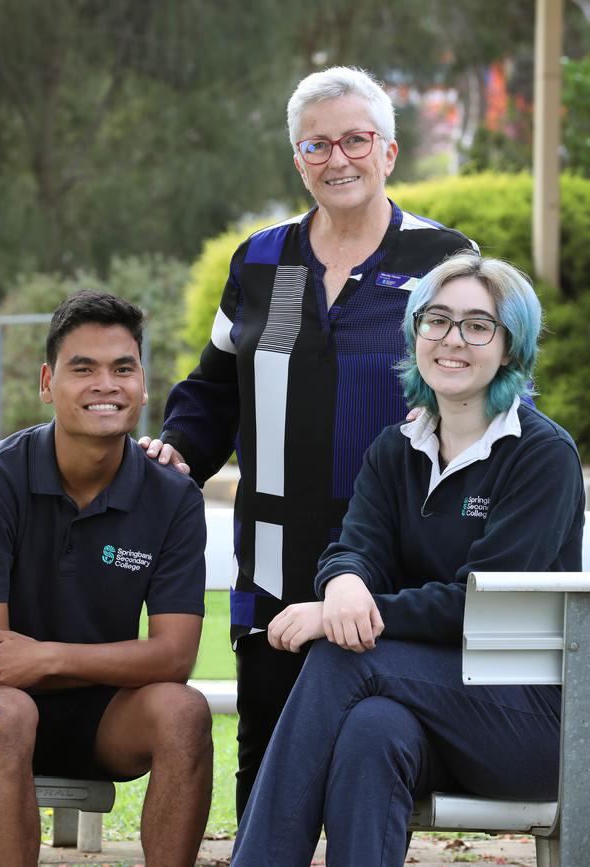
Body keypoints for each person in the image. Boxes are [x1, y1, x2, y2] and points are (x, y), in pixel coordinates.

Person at [142, 65, 478, 816]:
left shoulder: (443, 260)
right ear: (297, 160)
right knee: (267, 768)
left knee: (371, 756)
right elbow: (216, 387)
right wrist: (176, 451)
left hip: (396, 561)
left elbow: (488, 392)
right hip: (275, 559)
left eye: (356, 140)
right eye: (317, 145)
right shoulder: (261, 260)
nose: (338, 159)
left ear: (388, 152)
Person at [230, 252, 585, 866]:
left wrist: (334, 618)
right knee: (372, 732)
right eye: (437, 319)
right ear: (415, 330)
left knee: (342, 659)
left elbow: (476, 604)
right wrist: (342, 582)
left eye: (479, 325)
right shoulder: (396, 449)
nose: (452, 339)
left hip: (527, 726)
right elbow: (356, 545)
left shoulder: (541, 456)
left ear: (511, 347)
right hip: (426, 712)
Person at [0, 291, 213, 867]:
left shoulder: (172, 496)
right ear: (47, 382)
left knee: (183, 711)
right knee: (6, 713)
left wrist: (48, 659)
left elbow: (174, 657)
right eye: (82, 368)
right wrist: (42, 666)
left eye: (122, 368)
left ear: (142, 384)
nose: (105, 384)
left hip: (101, 710)